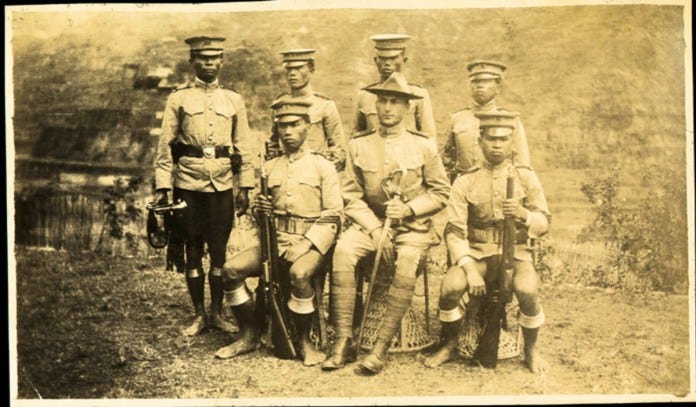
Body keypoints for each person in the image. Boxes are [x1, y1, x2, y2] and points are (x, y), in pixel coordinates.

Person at [322, 72, 450, 374]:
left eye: (395, 102)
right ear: (375, 106)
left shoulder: (423, 146)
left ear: (407, 108)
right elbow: (351, 195)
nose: (388, 108)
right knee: (343, 251)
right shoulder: (359, 144)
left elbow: (441, 192)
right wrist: (375, 228)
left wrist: (408, 209)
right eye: (383, 101)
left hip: (412, 227)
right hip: (371, 225)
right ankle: (344, 340)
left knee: (407, 260)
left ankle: (380, 348)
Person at [214, 97, 343, 366]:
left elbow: (334, 214)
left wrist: (306, 244)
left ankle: (305, 341)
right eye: (283, 126)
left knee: (299, 273)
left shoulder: (323, 166)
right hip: (275, 242)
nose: (288, 131)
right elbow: (257, 214)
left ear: (308, 126)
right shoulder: (270, 167)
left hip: (312, 245)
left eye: (295, 125)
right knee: (230, 270)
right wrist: (259, 209)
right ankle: (249, 334)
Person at [423, 111, 550, 374]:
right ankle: (450, 343)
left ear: (512, 143)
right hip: (476, 253)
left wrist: (523, 214)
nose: (497, 145)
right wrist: (470, 270)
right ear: (480, 141)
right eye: (491, 139)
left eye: (503, 140)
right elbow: (454, 231)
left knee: (527, 290)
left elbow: (544, 223)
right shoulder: (465, 180)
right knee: (450, 287)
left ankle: (531, 349)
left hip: (516, 254)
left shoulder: (525, 177)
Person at [153, 35, 255, 337]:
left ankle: (217, 313)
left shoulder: (233, 100)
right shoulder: (179, 99)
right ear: (192, 61)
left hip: (221, 185)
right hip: (188, 185)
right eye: (202, 58)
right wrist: (163, 188)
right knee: (193, 250)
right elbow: (164, 146)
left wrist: (245, 186)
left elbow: (243, 145)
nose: (209, 63)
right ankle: (199, 314)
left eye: (214, 58)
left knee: (220, 252)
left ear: (221, 61)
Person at [442, 61, 531, 181]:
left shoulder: (509, 120)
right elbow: (446, 160)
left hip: (498, 185)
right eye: (476, 82)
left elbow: (522, 163)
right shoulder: (456, 119)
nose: (479, 86)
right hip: (463, 186)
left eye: (486, 81)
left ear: (498, 88)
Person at [268, 49, 346, 170]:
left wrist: (323, 173)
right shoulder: (279, 104)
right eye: (289, 69)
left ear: (311, 69)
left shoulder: (325, 105)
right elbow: (273, 147)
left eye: (299, 68)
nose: (292, 73)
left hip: (315, 172)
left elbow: (338, 152)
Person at [351, 34, 437, 141]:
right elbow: (356, 135)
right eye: (382, 58)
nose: (387, 63)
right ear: (376, 60)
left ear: (404, 60)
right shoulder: (364, 95)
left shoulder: (418, 94)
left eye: (393, 58)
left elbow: (429, 137)